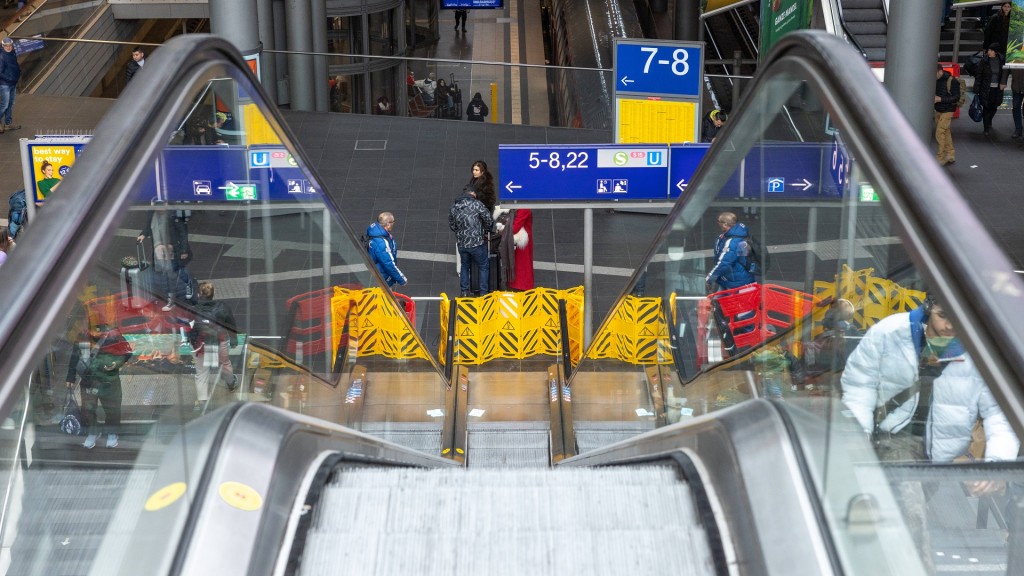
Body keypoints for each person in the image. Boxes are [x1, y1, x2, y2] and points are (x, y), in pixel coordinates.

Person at [841, 298, 1019, 464]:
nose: (950, 325)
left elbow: (1000, 412)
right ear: (928, 308)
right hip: (895, 438)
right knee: (907, 494)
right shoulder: (890, 331)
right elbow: (859, 384)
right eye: (942, 315)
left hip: (947, 458)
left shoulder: (980, 352)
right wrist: (860, 431)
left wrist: (997, 461)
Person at [65, 324, 133, 449]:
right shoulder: (83, 336)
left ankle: (112, 432)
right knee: (88, 409)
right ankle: (92, 432)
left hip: (109, 380)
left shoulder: (113, 334)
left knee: (112, 408)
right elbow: (75, 356)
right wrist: (70, 376)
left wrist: (115, 364)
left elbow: (127, 352)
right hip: (88, 380)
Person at [190, 281, 238, 411]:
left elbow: (188, 327)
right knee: (225, 364)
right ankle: (231, 383)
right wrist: (234, 339)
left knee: (201, 372)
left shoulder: (192, 309)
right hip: (219, 341)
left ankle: (202, 401)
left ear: (199, 294)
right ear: (213, 294)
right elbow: (231, 324)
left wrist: (192, 342)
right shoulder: (222, 307)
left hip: (201, 345)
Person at [138, 206, 192, 310]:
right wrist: (143, 234)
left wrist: (184, 250)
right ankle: (172, 294)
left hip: (174, 249)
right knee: (169, 272)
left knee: (172, 272)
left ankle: (172, 298)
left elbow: (182, 233)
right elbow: (148, 226)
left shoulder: (173, 214)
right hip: (159, 249)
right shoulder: (152, 213)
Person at [449, 186, 494, 296]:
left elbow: (452, 225)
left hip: (462, 243)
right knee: (483, 266)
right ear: (473, 193)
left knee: (465, 266)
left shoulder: (454, 207)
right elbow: (488, 220)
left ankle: (464, 291)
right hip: (476, 243)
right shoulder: (477, 204)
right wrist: (485, 229)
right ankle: (483, 292)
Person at [705, 212, 755, 293]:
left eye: (719, 222)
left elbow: (724, 262)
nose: (718, 224)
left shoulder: (732, 242)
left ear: (725, 224)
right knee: (719, 301)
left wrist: (710, 278)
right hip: (731, 278)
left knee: (729, 303)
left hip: (735, 282)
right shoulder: (732, 235)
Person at [366, 211, 407, 288]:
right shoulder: (382, 242)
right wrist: (401, 279)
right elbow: (388, 263)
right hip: (383, 279)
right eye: (393, 222)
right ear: (388, 224)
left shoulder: (375, 232)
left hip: (377, 274)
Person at [977, 43, 1007, 137]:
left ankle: (989, 120)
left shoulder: (1001, 60)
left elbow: (1004, 72)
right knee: (986, 107)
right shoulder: (984, 61)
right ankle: (986, 127)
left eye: (990, 50)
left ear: (994, 51)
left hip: (997, 88)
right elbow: (979, 75)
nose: (988, 52)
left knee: (994, 106)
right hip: (986, 87)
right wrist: (977, 88)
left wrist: (1003, 82)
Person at [934, 63, 960, 166]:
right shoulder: (935, 80)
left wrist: (940, 99)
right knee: (946, 132)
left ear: (940, 71)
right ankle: (950, 154)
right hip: (938, 110)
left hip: (948, 110)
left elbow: (956, 97)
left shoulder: (952, 81)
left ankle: (940, 157)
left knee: (939, 133)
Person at [0, 37, 21, 134]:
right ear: (2, 46)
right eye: (6, 46)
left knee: (10, 104)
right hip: (5, 85)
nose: (8, 47)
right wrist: (10, 79)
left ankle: (8, 124)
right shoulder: (1, 56)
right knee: (4, 105)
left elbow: (14, 65)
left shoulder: (12, 52)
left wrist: (18, 73)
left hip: (13, 83)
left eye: (10, 45)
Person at [1010, 68, 1024, 139]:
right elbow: (1007, 67)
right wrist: (1003, 81)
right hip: (1017, 85)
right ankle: (1018, 129)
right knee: (1015, 106)